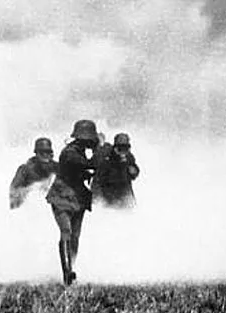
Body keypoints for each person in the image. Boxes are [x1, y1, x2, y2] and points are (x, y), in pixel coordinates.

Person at [46, 120, 100, 285]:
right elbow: (90, 164)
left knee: (75, 235)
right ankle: (67, 273)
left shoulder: (79, 151)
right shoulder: (69, 153)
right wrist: (101, 149)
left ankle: (71, 270)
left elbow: (80, 171)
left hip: (78, 197)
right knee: (66, 231)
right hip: (62, 196)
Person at [91, 132, 140, 209]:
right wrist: (98, 201)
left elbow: (133, 171)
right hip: (107, 196)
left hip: (124, 194)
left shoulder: (129, 157)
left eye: (126, 149)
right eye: (120, 149)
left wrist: (134, 171)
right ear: (115, 148)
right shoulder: (106, 159)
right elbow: (97, 182)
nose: (122, 153)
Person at [9, 137, 58, 209]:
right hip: (30, 207)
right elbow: (13, 191)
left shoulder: (56, 168)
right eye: (42, 153)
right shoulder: (25, 169)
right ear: (36, 154)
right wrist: (33, 188)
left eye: (48, 152)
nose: (45, 155)